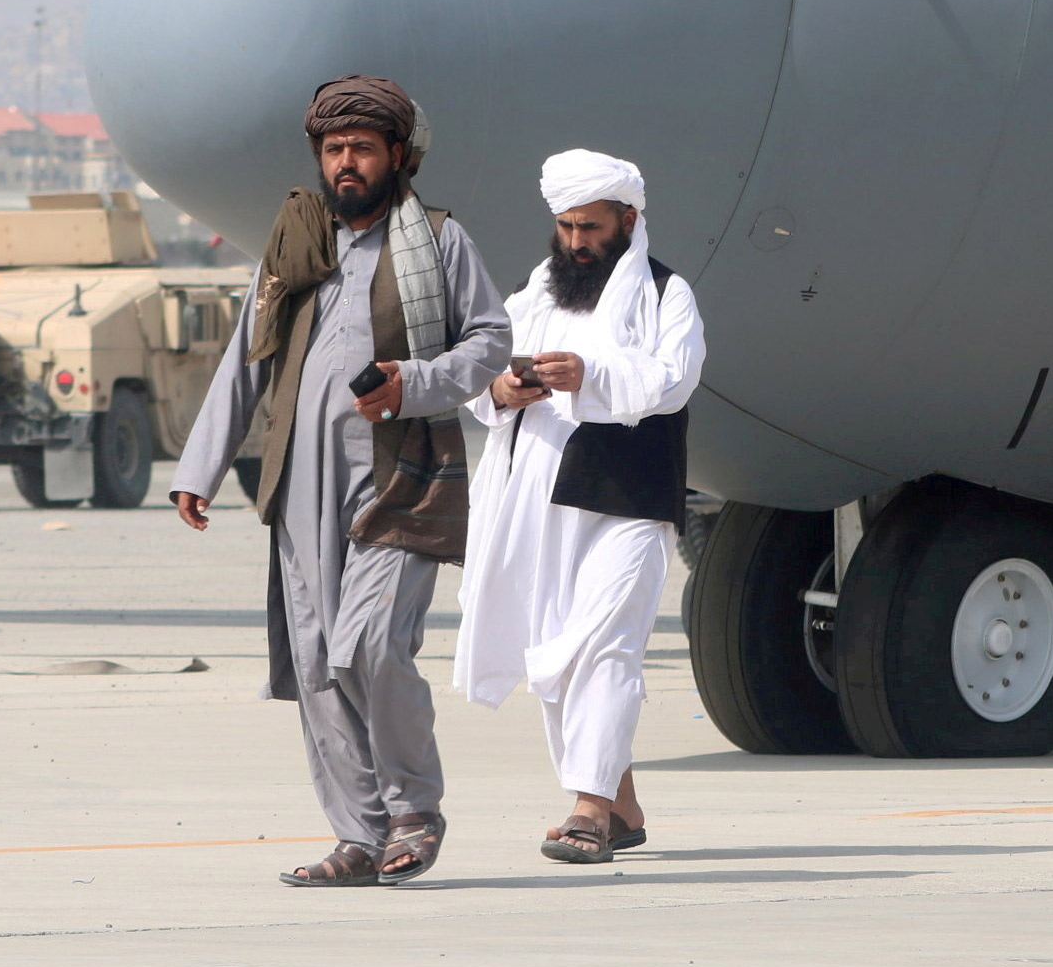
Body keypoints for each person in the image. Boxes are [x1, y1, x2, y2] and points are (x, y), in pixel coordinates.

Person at [169, 76, 508, 888]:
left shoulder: (438, 242)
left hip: (403, 480)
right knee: (319, 662)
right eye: (333, 150)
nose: (346, 163)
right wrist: (200, 467)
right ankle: (359, 836)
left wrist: (417, 381)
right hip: (303, 488)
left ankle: (415, 810)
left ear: (398, 154)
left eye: (361, 148)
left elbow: (491, 340)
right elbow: (242, 361)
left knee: (370, 645)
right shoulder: (293, 245)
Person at [453, 149, 705, 865]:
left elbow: (673, 379)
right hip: (539, 500)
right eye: (565, 226)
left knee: (604, 644)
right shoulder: (535, 296)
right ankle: (621, 804)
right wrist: (503, 392)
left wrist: (591, 375)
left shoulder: (666, 294)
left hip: (628, 497)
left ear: (627, 220)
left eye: (589, 227)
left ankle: (589, 810)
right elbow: (480, 377)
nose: (575, 242)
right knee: (560, 655)